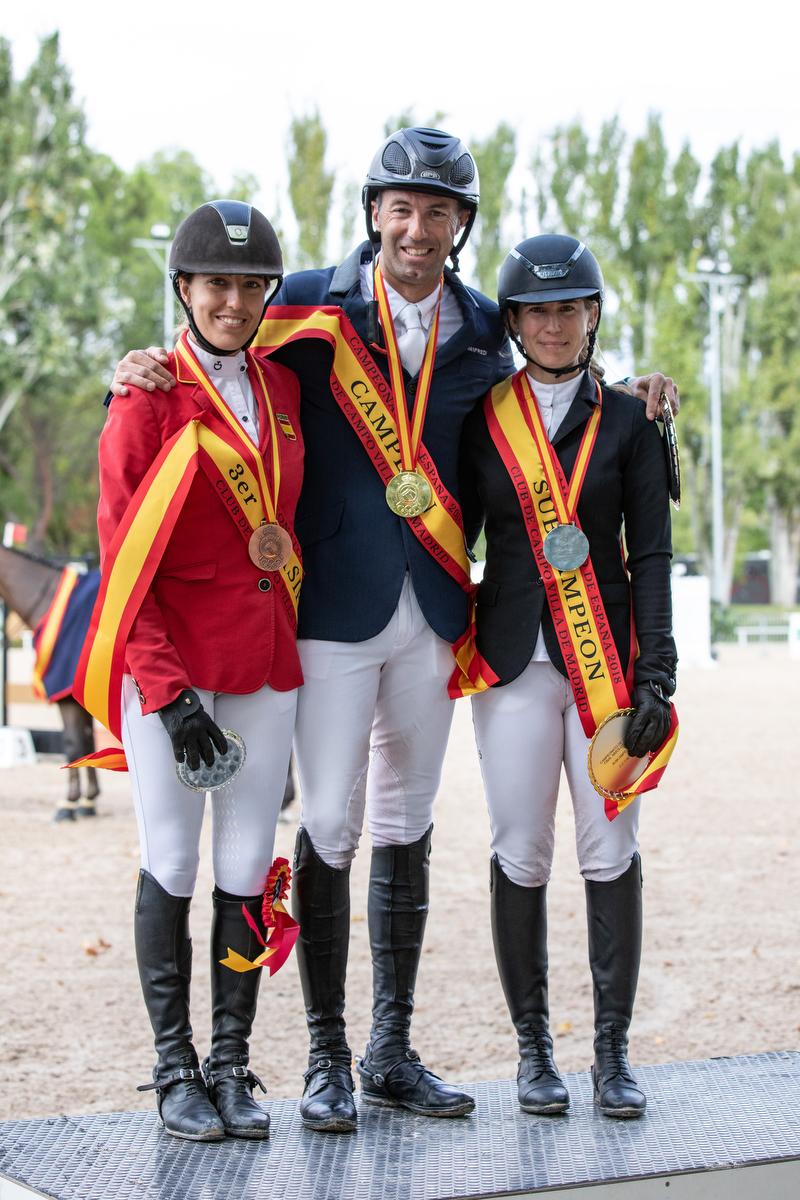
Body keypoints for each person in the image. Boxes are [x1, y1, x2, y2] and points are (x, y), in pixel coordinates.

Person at [109, 127, 679, 1135]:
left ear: (459, 228)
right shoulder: (302, 308)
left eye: (438, 212)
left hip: (431, 614)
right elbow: (216, 353)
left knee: (406, 823)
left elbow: (554, 375)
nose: (416, 229)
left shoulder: (476, 328)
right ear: (374, 212)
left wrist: (631, 386)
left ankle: (388, 1049)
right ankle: (324, 1054)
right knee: (326, 821)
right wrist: (145, 364)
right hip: (326, 617)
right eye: (400, 208)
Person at [91, 201, 304, 1141]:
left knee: (247, 866)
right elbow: (120, 558)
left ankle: (229, 1063)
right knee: (173, 862)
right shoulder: (145, 397)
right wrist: (168, 696)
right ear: (184, 289)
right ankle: (174, 1069)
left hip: (264, 663)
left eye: (251, 285)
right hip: (173, 673)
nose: (234, 299)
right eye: (217, 283)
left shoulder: (284, 392)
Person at [460, 234, 678, 1120]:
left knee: (609, 850)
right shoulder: (484, 420)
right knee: (521, 849)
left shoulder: (629, 421)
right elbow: (454, 537)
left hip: (607, 671)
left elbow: (653, 554)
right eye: (538, 311)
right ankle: (534, 1052)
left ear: (593, 317)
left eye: (570, 308)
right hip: (513, 662)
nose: (554, 325)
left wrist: (656, 671)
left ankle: (612, 1056)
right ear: (513, 321)